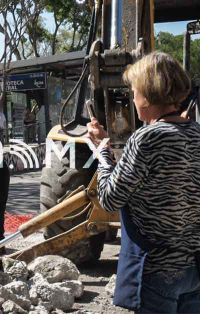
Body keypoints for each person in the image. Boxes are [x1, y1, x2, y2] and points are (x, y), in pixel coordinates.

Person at [87, 52, 200, 313]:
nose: (134, 98)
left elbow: (110, 197)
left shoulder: (146, 138)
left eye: (135, 91)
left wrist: (102, 150)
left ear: (147, 96)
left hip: (156, 270)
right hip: (193, 268)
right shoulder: (196, 133)